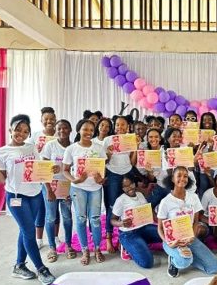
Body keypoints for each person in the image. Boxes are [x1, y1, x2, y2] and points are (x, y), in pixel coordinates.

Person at [0, 114, 56, 285]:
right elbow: (2, 180)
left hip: (35, 195)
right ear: (11, 129)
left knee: (25, 230)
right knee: (29, 231)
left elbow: (40, 169)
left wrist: (49, 177)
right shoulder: (1, 152)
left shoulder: (31, 148)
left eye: (26, 131)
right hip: (16, 197)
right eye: (18, 130)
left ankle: (19, 266)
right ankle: (41, 268)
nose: (21, 134)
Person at [157, 166, 217, 278]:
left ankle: (188, 258)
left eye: (185, 176)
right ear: (172, 178)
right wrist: (170, 242)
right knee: (184, 261)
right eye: (179, 176)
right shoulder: (165, 202)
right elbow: (160, 228)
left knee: (214, 268)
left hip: (190, 238)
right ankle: (174, 261)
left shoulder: (194, 197)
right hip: (172, 242)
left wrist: (192, 236)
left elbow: (196, 221)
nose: (183, 178)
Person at [63, 119, 107, 266]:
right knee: (81, 219)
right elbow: (65, 170)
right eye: (85, 129)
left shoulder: (99, 148)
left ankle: (97, 248)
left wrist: (100, 179)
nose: (88, 132)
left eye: (91, 130)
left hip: (95, 189)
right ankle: (85, 250)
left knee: (95, 220)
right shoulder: (71, 149)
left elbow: (103, 175)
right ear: (78, 130)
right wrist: (74, 180)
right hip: (78, 188)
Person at [41, 119, 76, 263]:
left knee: (67, 216)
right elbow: (42, 169)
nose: (62, 131)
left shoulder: (74, 147)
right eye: (59, 128)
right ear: (56, 130)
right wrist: (48, 189)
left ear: (70, 130)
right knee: (50, 217)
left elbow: (77, 168)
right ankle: (52, 248)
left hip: (67, 185)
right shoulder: (50, 146)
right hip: (51, 186)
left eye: (65, 128)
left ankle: (68, 245)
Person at [110, 173, 162, 268]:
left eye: (131, 184)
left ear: (135, 183)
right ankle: (126, 247)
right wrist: (121, 223)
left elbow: (148, 211)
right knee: (147, 263)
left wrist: (161, 222)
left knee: (166, 234)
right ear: (122, 188)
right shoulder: (120, 200)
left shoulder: (140, 194)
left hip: (143, 228)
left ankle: (140, 243)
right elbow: (112, 220)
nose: (129, 188)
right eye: (125, 186)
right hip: (129, 233)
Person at [103, 115, 138, 253]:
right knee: (112, 205)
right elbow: (104, 162)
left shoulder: (130, 139)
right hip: (112, 174)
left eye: (123, 125)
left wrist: (135, 147)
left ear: (128, 126)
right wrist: (109, 153)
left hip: (128, 172)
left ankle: (127, 236)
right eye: (117, 124)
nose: (120, 127)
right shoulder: (107, 140)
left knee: (129, 205)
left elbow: (133, 162)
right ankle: (109, 238)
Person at [27, 107, 57, 249]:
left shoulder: (60, 134)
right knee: (40, 208)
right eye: (46, 119)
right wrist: (37, 151)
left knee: (54, 209)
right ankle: (39, 239)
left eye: (51, 119)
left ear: (55, 120)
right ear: (41, 121)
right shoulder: (35, 135)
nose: (49, 121)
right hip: (40, 176)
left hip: (56, 176)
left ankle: (55, 237)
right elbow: (28, 154)